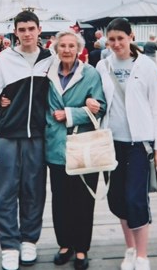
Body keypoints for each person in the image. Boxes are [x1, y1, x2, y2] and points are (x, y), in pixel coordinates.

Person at [0, 11, 54, 270]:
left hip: (38, 135)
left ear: (39, 29)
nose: (26, 34)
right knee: (6, 191)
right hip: (8, 134)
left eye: (31, 29)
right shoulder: (4, 60)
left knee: (34, 189)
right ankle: (9, 244)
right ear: (15, 32)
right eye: (21, 29)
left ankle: (29, 240)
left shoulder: (50, 60)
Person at [95, 18, 157, 270]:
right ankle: (129, 249)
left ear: (131, 37)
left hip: (139, 143)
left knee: (136, 198)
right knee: (117, 199)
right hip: (112, 142)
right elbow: (97, 100)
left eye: (120, 38)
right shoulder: (102, 66)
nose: (116, 44)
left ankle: (142, 255)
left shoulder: (146, 65)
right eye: (111, 39)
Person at [45, 31, 106, 269]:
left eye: (72, 46)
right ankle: (64, 244)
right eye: (63, 46)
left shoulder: (90, 74)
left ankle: (81, 248)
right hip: (56, 146)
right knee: (60, 199)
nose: (67, 50)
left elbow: (99, 107)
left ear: (79, 49)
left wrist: (70, 114)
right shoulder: (47, 74)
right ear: (56, 49)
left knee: (82, 200)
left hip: (84, 146)